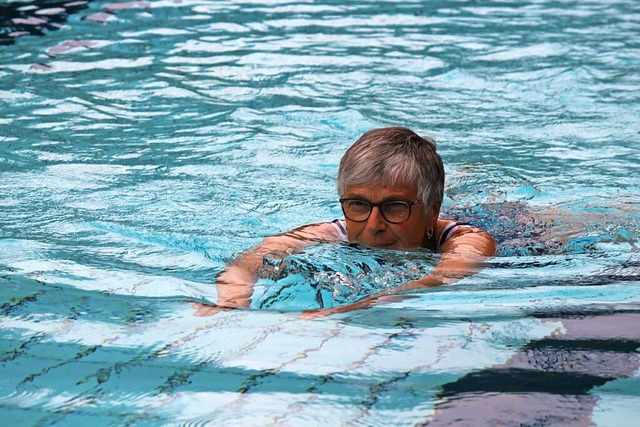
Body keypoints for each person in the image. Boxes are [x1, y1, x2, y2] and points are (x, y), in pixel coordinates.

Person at [193, 127, 496, 317]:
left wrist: (354, 309)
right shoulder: (334, 231)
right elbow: (248, 262)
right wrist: (229, 307)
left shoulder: (469, 239)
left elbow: (445, 277)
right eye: (358, 204)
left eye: (394, 207)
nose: (373, 224)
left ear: (432, 210)